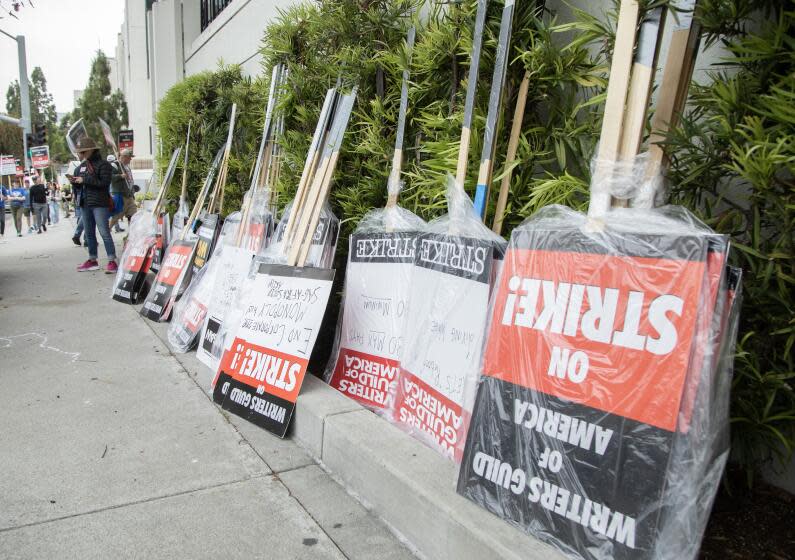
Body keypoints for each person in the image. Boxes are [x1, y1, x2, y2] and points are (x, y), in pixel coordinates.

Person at [71, 137, 117, 272]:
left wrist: (84, 180)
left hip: (99, 203)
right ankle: (92, 259)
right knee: (89, 233)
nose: (81, 155)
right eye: (80, 152)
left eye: (84, 152)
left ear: (91, 150)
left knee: (104, 232)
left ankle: (112, 260)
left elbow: (104, 183)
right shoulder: (80, 167)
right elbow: (78, 187)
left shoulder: (104, 165)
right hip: (84, 203)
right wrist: (75, 182)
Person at [109, 148, 138, 233]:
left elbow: (130, 180)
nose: (130, 159)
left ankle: (131, 234)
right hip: (120, 195)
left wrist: (133, 189)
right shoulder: (115, 165)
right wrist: (120, 176)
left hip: (129, 195)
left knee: (133, 215)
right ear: (124, 157)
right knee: (117, 215)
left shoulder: (127, 166)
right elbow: (109, 177)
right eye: (129, 157)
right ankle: (107, 230)